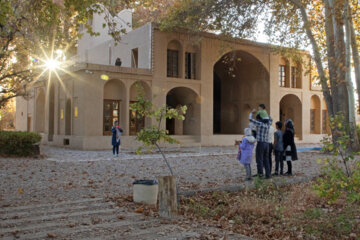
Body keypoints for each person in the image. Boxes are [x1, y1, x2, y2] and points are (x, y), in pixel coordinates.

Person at [249, 109, 272, 179]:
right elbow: (270, 119)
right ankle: (268, 175)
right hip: (267, 144)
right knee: (266, 160)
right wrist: (265, 114)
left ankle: (260, 175)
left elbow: (250, 119)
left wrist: (251, 113)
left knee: (259, 160)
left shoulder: (260, 124)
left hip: (261, 144)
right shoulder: (268, 124)